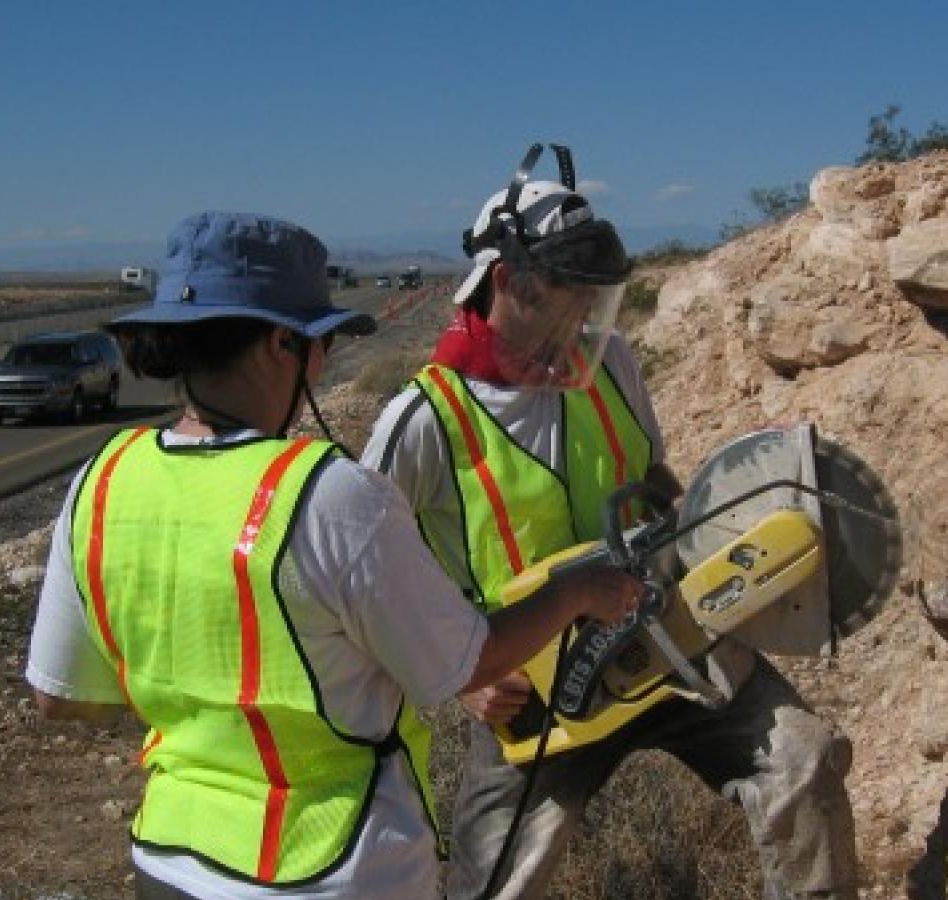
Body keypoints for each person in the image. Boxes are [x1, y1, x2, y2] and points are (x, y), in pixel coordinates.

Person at [24, 210, 642, 900]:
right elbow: (466, 662)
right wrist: (576, 593)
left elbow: (57, 696)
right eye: (317, 345)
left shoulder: (102, 481)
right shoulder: (328, 496)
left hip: (169, 860)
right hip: (332, 865)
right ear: (277, 345)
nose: (323, 363)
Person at [362, 148, 861, 900]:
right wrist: (460, 677)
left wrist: (699, 526)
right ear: (507, 282)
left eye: (593, 308)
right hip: (532, 688)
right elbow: (372, 571)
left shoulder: (610, 362)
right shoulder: (422, 420)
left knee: (803, 760)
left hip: (668, 637)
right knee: (492, 881)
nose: (581, 329)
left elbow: (655, 478)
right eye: (567, 303)